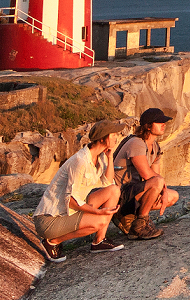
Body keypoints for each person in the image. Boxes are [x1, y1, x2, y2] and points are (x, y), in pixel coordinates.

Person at [33, 126, 125, 258]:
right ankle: (52, 242)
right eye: (113, 134)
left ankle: (99, 241)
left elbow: (107, 182)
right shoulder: (80, 161)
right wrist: (98, 212)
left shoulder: (99, 157)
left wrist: (110, 157)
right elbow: (70, 200)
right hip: (50, 219)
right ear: (103, 139)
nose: (116, 137)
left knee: (114, 190)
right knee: (99, 221)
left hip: (71, 210)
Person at [113, 107, 180, 240]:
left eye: (164, 122)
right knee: (158, 184)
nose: (164, 124)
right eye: (159, 122)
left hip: (134, 193)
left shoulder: (155, 147)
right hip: (120, 194)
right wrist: (162, 188)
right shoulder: (136, 143)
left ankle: (132, 219)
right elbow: (147, 174)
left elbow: (156, 175)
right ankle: (139, 224)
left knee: (173, 197)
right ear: (148, 126)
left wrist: (163, 190)